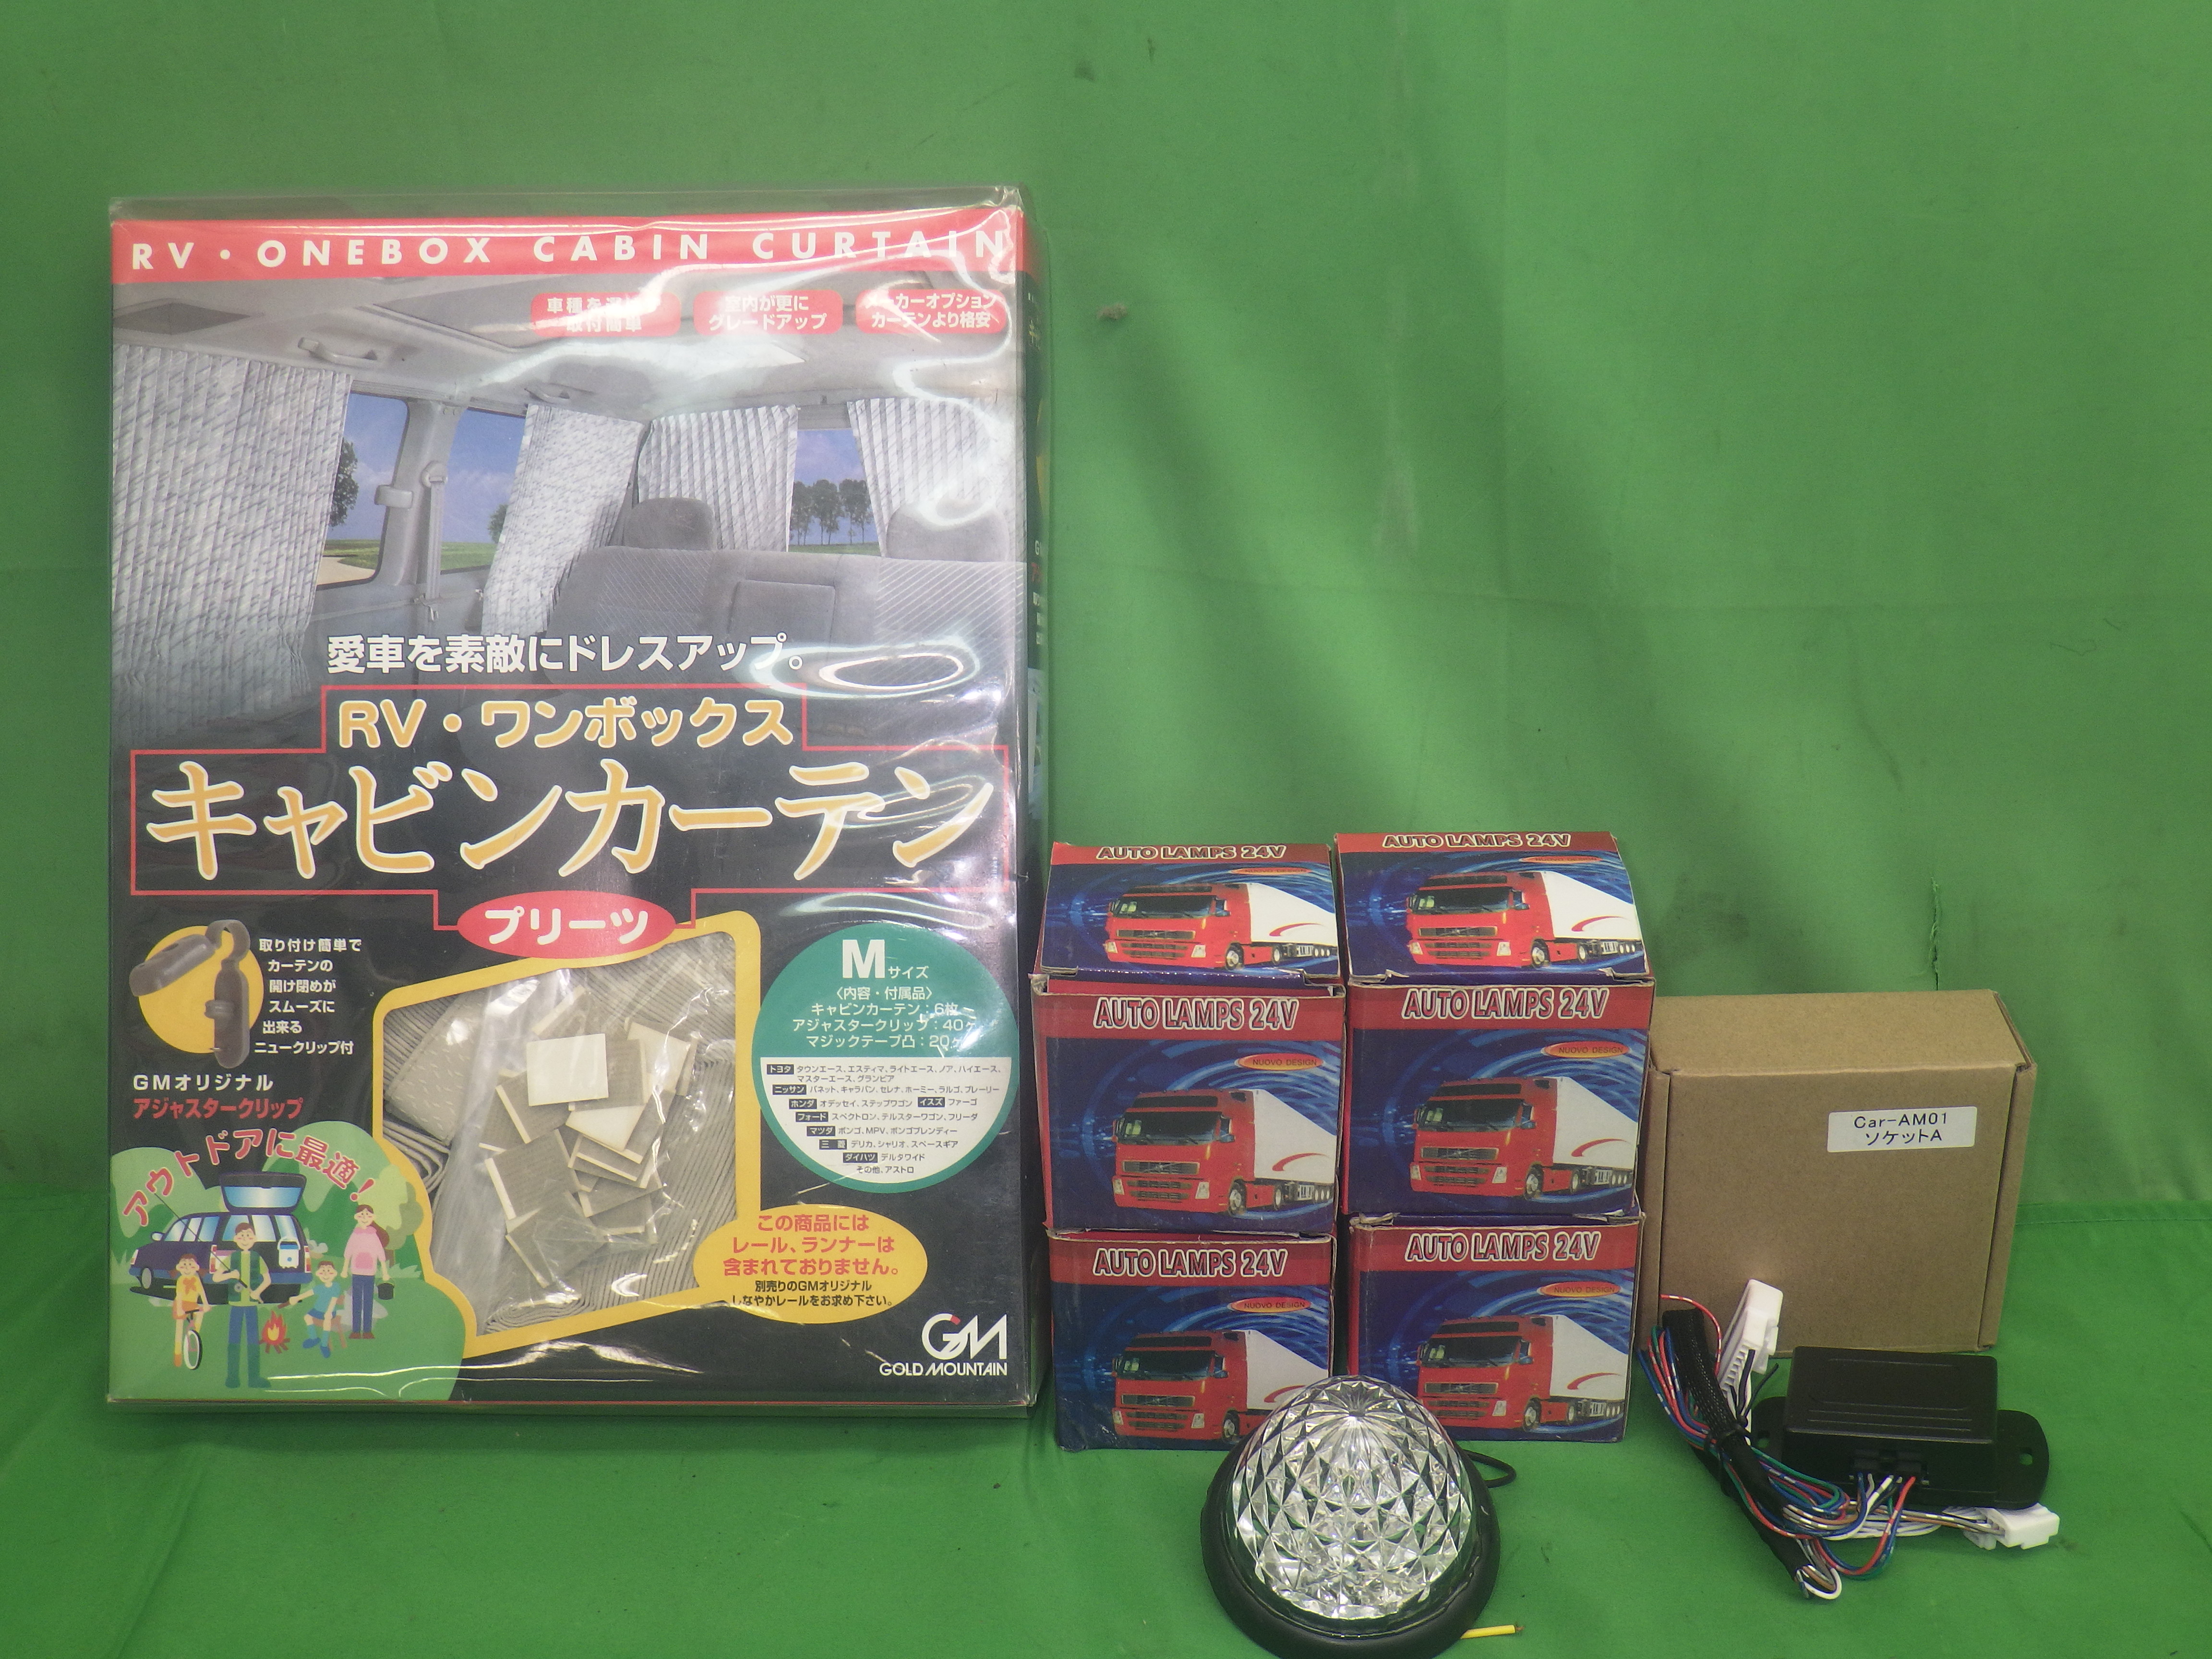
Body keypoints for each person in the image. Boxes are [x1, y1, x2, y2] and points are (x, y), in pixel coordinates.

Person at [207, 1225, 272, 1389]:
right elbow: (216, 1278)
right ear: (235, 1239)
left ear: (255, 1239)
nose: (245, 1240)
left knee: (253, 1342)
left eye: (249, 1236)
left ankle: (254, 1378)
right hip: (236, 1305)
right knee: (234, 1342)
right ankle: (232, 1378)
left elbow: (267, 1280)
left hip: (251, 1306)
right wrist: (231, 1275)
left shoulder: (257, 1258)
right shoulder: (232, 1257)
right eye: (241, 1236)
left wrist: (257, 1292)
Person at [342, 1203, 390, 1339]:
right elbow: (349, 1252)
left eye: (368, 1215)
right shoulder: (355, 1234)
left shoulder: (374, 1235)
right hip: (357, 1273)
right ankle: (356, 1330)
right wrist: (345, 1269)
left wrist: (385, 1272)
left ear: (373, 1217)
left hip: (370, 1274)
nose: (364, 1218)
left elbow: (380, 1254)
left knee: (368, 1302)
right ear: (357, 1217)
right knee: (356, 1302)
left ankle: (367, 1330)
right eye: (362, 1215)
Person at [300, 1259, 345, 1357]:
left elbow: (334, 1300)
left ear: (334, 1273)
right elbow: (310, 1293)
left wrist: (329, 1312)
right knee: (307, 1317)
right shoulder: (320, 1287)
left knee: (327, 1322)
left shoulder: (336, 1286)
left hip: (330, 1311)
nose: (326, 1275)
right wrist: (297, 1298)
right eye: (323, 1271)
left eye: (329, 1271)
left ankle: (324, 1345)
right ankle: (314, 1338)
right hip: (317, 1310)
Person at [171, 1253, 207, 1367]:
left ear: (195, 1268)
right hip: (181, 1305)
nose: (187, 1269)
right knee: (179, 1327)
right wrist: (180, 1309)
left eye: (190, 1266)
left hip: (192, 1304)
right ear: (180, 1268)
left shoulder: (196, 1280)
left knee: (201, 1312)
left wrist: (206, 1304)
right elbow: (179, 1296)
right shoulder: (181, 1280)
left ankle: (195, 1334)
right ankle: (178, 1353)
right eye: (184, 1266)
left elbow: (202, 1292)